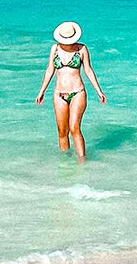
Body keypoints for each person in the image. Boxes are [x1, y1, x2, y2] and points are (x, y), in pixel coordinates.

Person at [34, 20, 106, 162]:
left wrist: (99, 91)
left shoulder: (81, 49)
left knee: (74, 128)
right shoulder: (54, 48)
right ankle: (65, 163)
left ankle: (82, 163)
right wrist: (41, 91)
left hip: (77, 92)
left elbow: (88, 70)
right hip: (58, 94)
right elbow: (50, 70)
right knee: (62, 131)